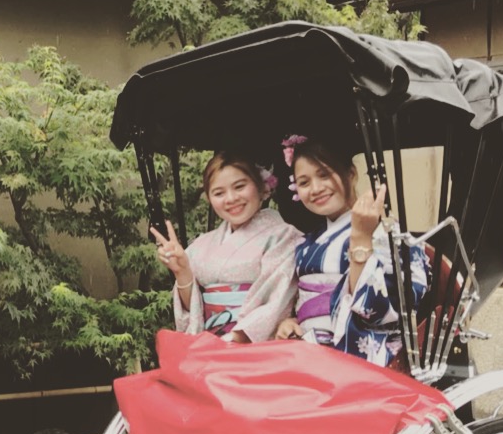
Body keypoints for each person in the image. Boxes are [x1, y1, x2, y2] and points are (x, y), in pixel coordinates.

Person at [274, 137, 428, 367]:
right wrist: (292, 321)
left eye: (324, 175)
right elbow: (304, 303)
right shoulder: (305, 243)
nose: (315, 189)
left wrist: (361, 239)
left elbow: (381, 310)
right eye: (304, 182)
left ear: (351, 174)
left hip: (358, 354)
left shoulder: (387, 234)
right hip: (308, 348)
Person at [153, 151, 300, 343]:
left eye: (239, 186)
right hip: (212, 343)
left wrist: (235, 338)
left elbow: (277, 301)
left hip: (256, 344)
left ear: (262, 187)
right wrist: (182, 271)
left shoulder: (283, 236)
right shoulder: (201, 245)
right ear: (209, 198)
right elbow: (195, 310)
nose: (230, 199)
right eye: (219, 193)